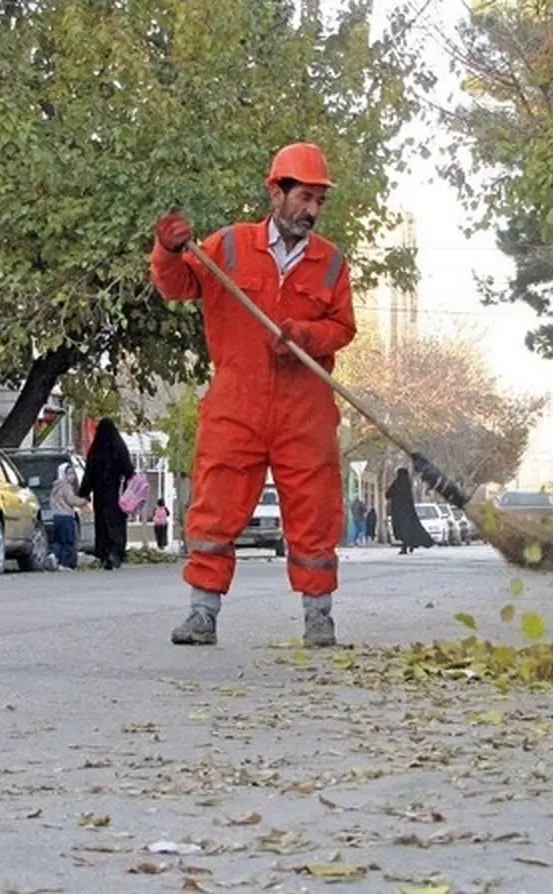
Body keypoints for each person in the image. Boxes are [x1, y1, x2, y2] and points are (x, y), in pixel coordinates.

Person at [150, 141, 356, 648]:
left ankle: (318, 617)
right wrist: (168, 248)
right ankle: (202, 613)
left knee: (314, 509)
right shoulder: (228, 247)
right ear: (276, 192)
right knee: (215, 503)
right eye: (304, 197)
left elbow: (343, 327)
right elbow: (176, 286)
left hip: (303, 407)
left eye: (317, 201)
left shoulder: (331, 264)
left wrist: (304, 336)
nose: (311, 210)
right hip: (236, 401)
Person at [79, 418, 135, 571]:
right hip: (116, 493)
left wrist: (84, 492)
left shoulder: (96, 449)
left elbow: (89, 472)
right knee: (116, 523)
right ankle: (115, 553)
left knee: (102, 523)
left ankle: (104, 554)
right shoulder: (119, 447)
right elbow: (128, 469)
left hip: (100, 493)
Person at [385, 467, 433, 555]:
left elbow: (387, 494)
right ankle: (410, 544)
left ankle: (405, 547)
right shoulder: (407, 486)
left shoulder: (396, 484)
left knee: (402, 530)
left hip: (398, 513)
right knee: (409, 529)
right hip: (408, 513)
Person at [50, 462, 88, 571]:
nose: (72, 476)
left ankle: (54, 556)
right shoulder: (66, 486)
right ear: (63, 474)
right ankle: (65, 563)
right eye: (69, 473)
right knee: (69, 541)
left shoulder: (55, 487)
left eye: (73, 473)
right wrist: (83, 501)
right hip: (66, 517)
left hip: (57, 517)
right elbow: (71, 500)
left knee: (58, 541)